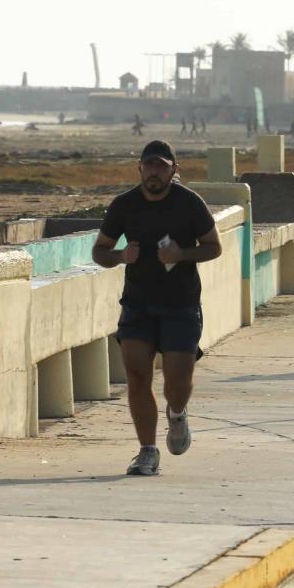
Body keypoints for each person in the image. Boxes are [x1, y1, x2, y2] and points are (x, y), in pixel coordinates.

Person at [92, 139, 224, 476]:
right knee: (137, 376)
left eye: (162, 166)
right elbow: (100, 251)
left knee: (177, 378)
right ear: (139, 168)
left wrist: (181, 254)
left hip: (180, 304)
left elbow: (214, 247)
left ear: (173, 170)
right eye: (149, 165)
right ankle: (147, 451)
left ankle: (177, 414)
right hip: (137, 304)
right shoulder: (124, 205)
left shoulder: (190, 204)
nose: (154, 172)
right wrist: (121, 256)